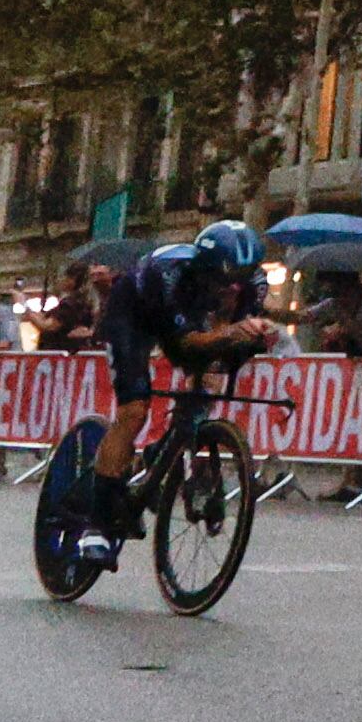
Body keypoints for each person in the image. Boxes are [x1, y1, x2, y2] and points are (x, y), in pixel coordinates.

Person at [70, 219, 281, 570]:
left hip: (192, 323)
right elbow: (186, 342)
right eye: (222, 281)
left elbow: (224, 340)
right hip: (135, 316)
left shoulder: (255, 283)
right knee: (135, 410)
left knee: (212, 380)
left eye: (238, 283)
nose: (230, 290)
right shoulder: (171, 272)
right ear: (204, 269)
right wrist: (233, 333)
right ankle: (98, 524)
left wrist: (252, 337)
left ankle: (163, 451)